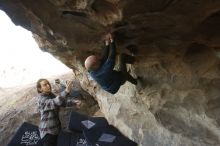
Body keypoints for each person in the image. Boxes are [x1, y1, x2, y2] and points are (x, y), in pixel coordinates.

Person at [36, 79, 80, 146]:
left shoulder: (50, 95)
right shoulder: (41, 99)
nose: (48, 85)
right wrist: (66, 91)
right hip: (48, 132)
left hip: (55, 130)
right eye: (45, 85)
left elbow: (61, 103)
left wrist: (73, 103)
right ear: (40, 89)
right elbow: (55, 102)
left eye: (48, 83)